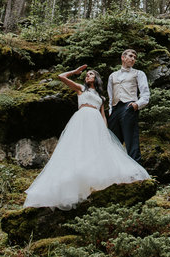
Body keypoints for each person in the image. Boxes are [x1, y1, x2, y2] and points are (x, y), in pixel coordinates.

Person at [23, 64, 149, 210]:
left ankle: (95, 183)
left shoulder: (101, 97)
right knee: (78, 148)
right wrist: (75, 72)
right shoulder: (81, 89)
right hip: (82, 119)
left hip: (96, 122)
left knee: (95, 150)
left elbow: (103, 115)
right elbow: (61, 77)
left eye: (90, 74)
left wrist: (104, 131)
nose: (87, 76)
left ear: (96, 78)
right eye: (86, 75)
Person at [107, 48, 150, 163]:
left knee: (131, 140)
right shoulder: (112, 76)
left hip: (129, 107)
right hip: (115, 109)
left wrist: (136, 105)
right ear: (123, 57)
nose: (133, 59)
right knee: (113, 141)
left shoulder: (138, 74)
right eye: (131, 56)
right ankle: (115, 170)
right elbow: (110, 96)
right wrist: (111, 111)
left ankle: (137, 173)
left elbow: (145, 94)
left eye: (134, 58)